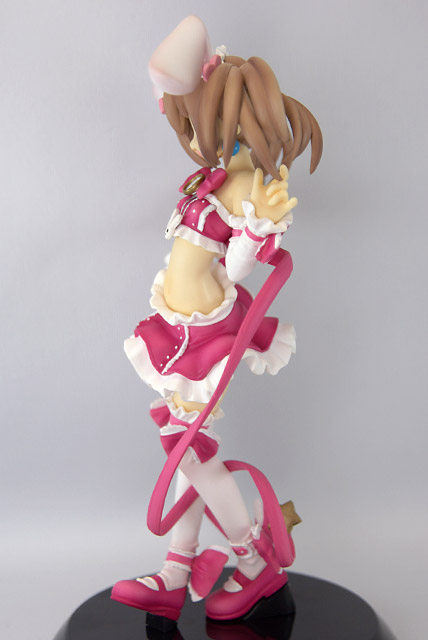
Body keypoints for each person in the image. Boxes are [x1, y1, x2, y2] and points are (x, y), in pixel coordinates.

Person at [111, 15, 322, 623]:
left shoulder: (246, 186)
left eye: (197, 122)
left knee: (190, 454)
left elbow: (237, 267)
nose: (189, 133)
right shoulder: (215, 177)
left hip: (206, 333)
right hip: (177, 325)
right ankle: (177, 572)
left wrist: (253, 233)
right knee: (191, 453)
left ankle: (254, 563)